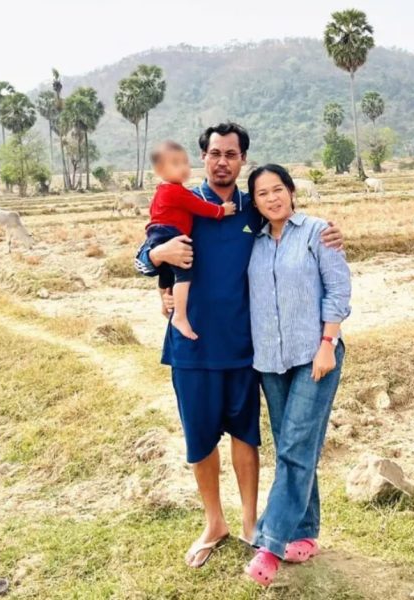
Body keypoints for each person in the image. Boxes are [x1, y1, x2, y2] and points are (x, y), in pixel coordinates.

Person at [134, 123, 344, 569]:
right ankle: (214, 523)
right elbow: (143, 255)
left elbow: (293, 224)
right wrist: (156, 257)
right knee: (200, 440)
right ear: (203, 158)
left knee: (246, 436)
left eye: (231, 154)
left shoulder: (253, 208)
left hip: (246, 349)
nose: (222, 161)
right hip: (190, 347)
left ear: (242, 159)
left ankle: (251, 523)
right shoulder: (184, 200)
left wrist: (330, 234)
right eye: (215, 153)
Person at [242, 164, 351, 587]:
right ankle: (304, 532)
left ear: (291, 191)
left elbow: (338, 289)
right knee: (294, 446)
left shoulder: (318, 232)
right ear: (255, 203)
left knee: (294, 446)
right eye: (262, 194)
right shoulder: (252, 244)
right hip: (270, 360)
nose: (272, 198)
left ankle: (269, 545)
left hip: (314, 354)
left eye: (278, 189)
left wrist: (327, 342)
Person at [144, 140, 236, 340]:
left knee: (167, 272)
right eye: (176, 164)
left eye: (185, 162)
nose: (184, 168)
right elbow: (200, 207)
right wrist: (222, 211)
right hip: (170, 234)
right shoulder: (179, 192)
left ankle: (166, 299)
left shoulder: (161, 191)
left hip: (157, 233)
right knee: (184, 272)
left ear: (242, 157)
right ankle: (179, 315)